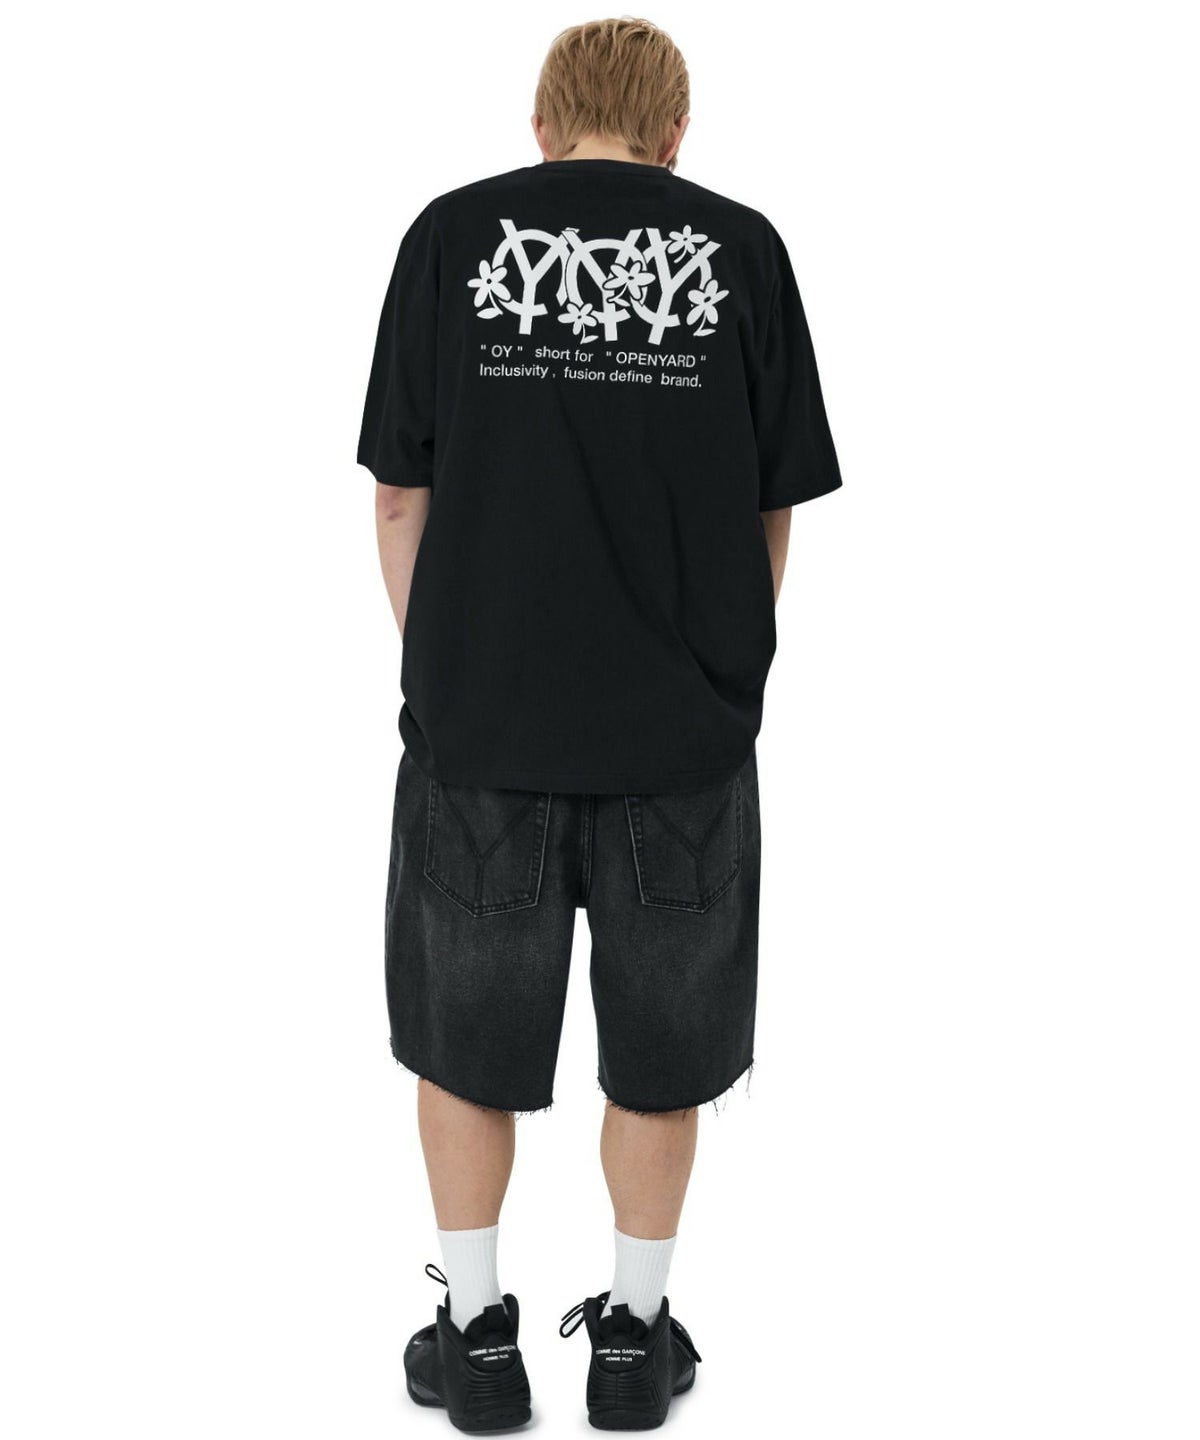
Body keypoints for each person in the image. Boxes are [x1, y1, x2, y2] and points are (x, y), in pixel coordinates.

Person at [356, 17, 842, 1431]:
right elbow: (774, 502)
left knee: (465, 1050)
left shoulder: (450, 239)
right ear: (676, 134)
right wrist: (719, 671)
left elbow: (399, 495)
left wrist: (448, 664)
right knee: (663, 1056)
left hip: (483, 736)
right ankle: (632, 1343)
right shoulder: (742, 252)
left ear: (542, 124)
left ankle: (475, 1338)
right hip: (679, 745)